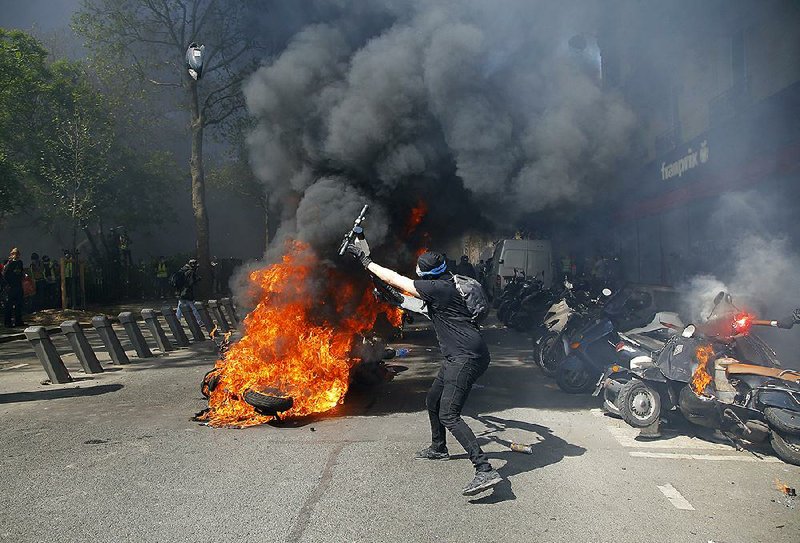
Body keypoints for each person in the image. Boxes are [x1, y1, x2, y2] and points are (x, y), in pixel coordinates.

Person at [345, 240, 502, 496]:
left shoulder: (439, 289)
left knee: (449, 414)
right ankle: (438, 448)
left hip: (466, 358)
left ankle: (484, 469)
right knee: (432, 401)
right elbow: (411, 302)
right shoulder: (447, 286)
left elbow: (400, 282)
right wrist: (388, 294)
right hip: (457, 356)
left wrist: (366, 261)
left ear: (425, 275)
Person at [175, 258, 203, 327]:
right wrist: (197, 279)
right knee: (193, 307)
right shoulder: (190, 272)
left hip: (181, 292)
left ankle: (177, 321)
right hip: (186, 293)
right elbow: (190, 282)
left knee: (180, 307)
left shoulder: (183, 270)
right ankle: (199, 321)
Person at [3, 248, 25, 328]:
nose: (16, 255)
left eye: (17, 254)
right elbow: (4, 274)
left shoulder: (20, 263)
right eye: (14, 254)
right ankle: (7, 322)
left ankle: (18, 321)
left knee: (19, 304)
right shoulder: (9, 263)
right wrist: (8, 284)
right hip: (11, 287)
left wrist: (23, 276)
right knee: (9, 305)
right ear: (11, 254)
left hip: (18, 286)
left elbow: (21, 272)